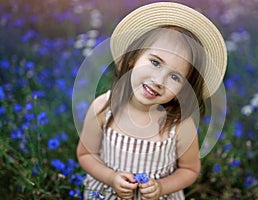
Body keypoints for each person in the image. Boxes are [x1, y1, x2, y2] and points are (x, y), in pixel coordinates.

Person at [76, 2, 227, 200]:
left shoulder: (181, 125)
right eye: (155, 62)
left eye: (175, 77)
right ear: (133, 58)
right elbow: (86, 154)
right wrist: (112, 178)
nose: (159, 81)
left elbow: (189, 169)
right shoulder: (104, 107)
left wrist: (162, 187)